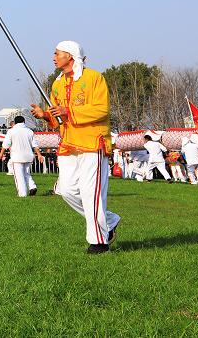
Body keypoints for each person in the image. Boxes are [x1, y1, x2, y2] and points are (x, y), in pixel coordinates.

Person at [31, 41, 121, 254]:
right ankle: (108, 220)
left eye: (57, 53)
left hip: (92, 141)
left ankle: (99, 242)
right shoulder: (57, 84)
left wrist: (68, 111)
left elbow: (101, 110)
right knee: (67, 190)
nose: (53, 57)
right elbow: (57, 117)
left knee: (92, 193)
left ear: (70, 56)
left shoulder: (94, 78)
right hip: (68, 143)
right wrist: (45, 115)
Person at [0, 116, 43, 197]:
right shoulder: (29, 131)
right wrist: (39, 154)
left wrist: (1, 153)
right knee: (26, 173)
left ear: (15, 122)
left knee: (19, 176)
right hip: (28, 156)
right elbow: (35, 145)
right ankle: (32, 186)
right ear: (24, 121)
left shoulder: (11, 131)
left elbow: (6, 144)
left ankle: (22, 194)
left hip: (17, 156)